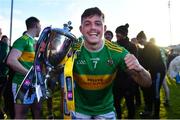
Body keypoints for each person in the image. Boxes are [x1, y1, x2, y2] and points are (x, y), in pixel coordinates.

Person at [61, 7, 151, 119]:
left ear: (104, 28)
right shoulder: (71, 50)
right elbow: (55, 74)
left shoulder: (118, 52)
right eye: (87, 24)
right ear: (81, 29)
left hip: (105, 110)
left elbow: (147, 83)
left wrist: (140, 69)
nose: (93, 27)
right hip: (78, 109)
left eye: (97, 23)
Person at [7, 16, 41, 119]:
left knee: (38, 111)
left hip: (34, 84)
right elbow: (11, 60)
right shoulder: (23, 40)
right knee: (21, 115)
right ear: (36, 25)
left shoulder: (33, 42)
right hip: (21, 84)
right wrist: (29, 75)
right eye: (40, 26)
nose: (40, 29)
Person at [113, 23, 140, 119]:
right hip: (116, 80)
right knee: (116, 103)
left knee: (129, 103)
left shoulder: (132, 46)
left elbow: (135, 63)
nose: (116, 35)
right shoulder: (114, 45)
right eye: (116, 33)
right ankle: (118, 117)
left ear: (124, 34)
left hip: (129, 80)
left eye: (118, 33)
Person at [136, 31, 166, 119]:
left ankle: (156, 115)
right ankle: (149, 111)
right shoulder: (145, 48)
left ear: (143, 38)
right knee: (151, 92)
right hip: (152, 73)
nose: (139, 42)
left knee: (156, 93)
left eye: (139, 40)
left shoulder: (152, 47)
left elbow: (151, 62)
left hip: (158, 72)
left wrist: (143, 69)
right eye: (138, 40)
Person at [0, 35, 10, 119]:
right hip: (3, 76)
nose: (6, 41)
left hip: (4, 76)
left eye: (7, 40)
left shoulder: (7, 47)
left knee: (5, 96)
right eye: (4, 40)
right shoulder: (4, 47)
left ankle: (3, 113)